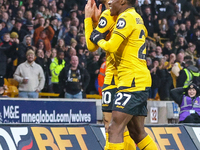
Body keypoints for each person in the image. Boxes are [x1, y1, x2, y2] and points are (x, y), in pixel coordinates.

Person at [89, 0, 158, 149]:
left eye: (113, 0)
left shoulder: (126, 18)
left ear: (122, 1)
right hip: (136, 79)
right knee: (137, 132)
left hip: (132, 81)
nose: (110, 2)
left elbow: (111, 46)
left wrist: (98, 38)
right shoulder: (136, 17)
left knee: (114, 128)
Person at [85, 0, 136, 149]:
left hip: (122, 75)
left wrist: (88, 19)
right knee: (114, 124)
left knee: (118, 125)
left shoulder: (117, 15)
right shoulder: (113, 14)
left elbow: (91, 45)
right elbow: (95, 43)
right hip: (117, 74)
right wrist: (95, 24)